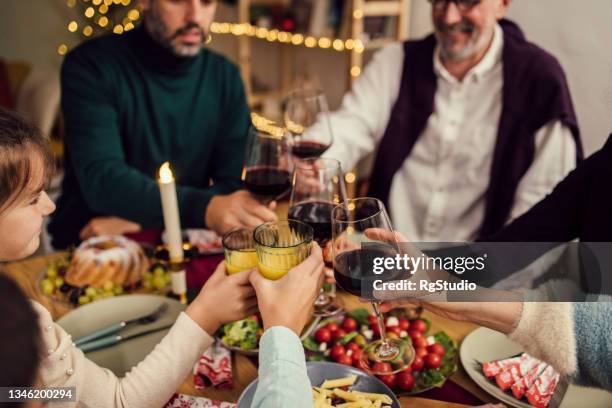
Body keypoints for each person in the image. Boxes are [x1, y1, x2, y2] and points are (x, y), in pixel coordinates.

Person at [0, 107, 323, 406]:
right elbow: (118, 403)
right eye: (32, 198)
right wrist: (270, 327)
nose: (50, 205)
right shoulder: (18, 322)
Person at [322, 0, 582, 241]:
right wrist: (314, 162)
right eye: (439, 0)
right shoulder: (397, 60)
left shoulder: (540, 82)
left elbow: (539, 220)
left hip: (477, 277)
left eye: (467, 1)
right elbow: (350, 125)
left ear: (502, 4)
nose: (449, 16)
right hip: (385, 263)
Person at [379, 134, 612, 391]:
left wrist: (464, 297)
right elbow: (509, 249)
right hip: (581, 372)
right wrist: (419, 267)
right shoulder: (606, 162)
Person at [48, 0, 277, 249]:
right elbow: (104, 181)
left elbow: (233, 183)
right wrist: (205, 209)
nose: (194, 15)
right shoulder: (90, 65)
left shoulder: (225, 76)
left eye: (206, 2)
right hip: (88, 245)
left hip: (178, 243)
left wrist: (144, 223)